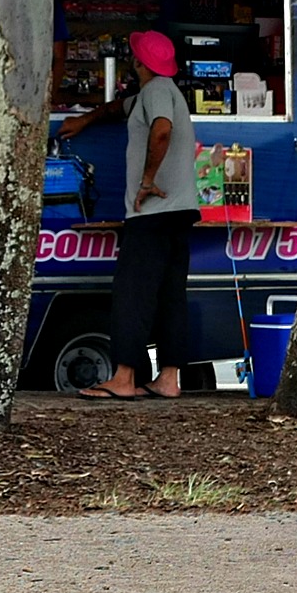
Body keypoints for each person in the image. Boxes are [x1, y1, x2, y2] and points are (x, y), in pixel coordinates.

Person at [56, 28, 200, 399]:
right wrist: (85, 120)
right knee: (170, 296)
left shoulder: (156, 92)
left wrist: (147, 180)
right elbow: (116, 108)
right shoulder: (158, 93)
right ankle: (168, 379)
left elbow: (162, 131)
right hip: (179, 211)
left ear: (138, 62)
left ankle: (124, 378)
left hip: (153, 212)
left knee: (132, 294)